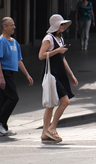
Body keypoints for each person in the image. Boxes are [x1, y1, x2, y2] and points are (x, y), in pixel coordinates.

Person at [0, 17, 33, 137]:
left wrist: (27, 75)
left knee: (4, 100)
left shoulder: (14, 42)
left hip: (10, 72)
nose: (14, 27)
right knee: (14, 97)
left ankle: (2, 128)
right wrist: (1, 77)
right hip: (4, 72)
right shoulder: (0, 41)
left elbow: (19, 60)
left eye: (14, 25)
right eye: (11, 25)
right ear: (4, 27)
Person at [38, 14, 78, 142]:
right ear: (56, 25)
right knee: (65, 101)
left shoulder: (60, 39)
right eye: (61, 24)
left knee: (51, 105)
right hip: (52, 74)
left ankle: (45, 132)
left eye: (63, 24)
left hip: (60, 74)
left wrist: (71, 75)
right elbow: (41, 55)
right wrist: (57, 51)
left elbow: (63, 59)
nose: (63, 26)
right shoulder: (48, 38)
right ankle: (52, 128)